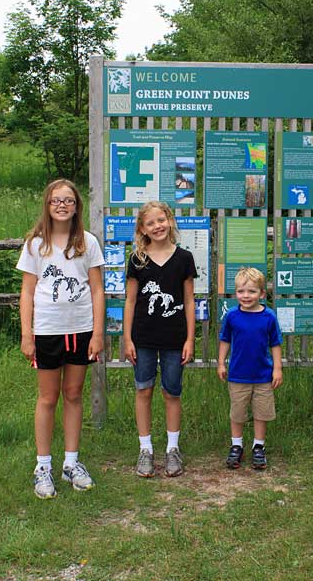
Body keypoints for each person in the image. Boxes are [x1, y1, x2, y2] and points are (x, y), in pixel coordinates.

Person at [17, 179, 105, 499]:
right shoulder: (36, 244)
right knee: (48, 397)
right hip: (46, 330)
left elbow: (96, 289)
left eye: (68, 200)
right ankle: (43, 466)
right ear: (48, 204)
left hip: (80, 329)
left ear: (76, 206)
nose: (62, 205)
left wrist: (97, 332)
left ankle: (71, 462)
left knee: (73, 393)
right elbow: (27, 291)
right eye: (56, 200)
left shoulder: (88, 242)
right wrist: (27, 334)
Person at [124, 201, 196, 478]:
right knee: (143, 390)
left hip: (174, 338)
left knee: (172, 392)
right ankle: (145, 449)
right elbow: (130, 301)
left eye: (161, 220)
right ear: (143, 228)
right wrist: (127, 339)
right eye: (150, 223)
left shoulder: (184, 258)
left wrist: (190, 339)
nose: (157, 226)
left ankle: (172, 449)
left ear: (170, 220)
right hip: (142, 338)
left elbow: (189, 301)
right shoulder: (137, 260)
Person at [218, 268, 283, 470]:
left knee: (261, 413)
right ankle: (236, 446)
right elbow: (225, 340)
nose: (246, 296)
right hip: (238, 375)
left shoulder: (269, 317)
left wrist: (277, 369)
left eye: (252, 291)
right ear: (236, 292)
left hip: (263, 376)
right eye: (241, 291)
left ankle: (258, 447)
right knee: (237, 413)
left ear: (262, 294)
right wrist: (221, 363)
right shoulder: (232, 316)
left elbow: (275, 344)